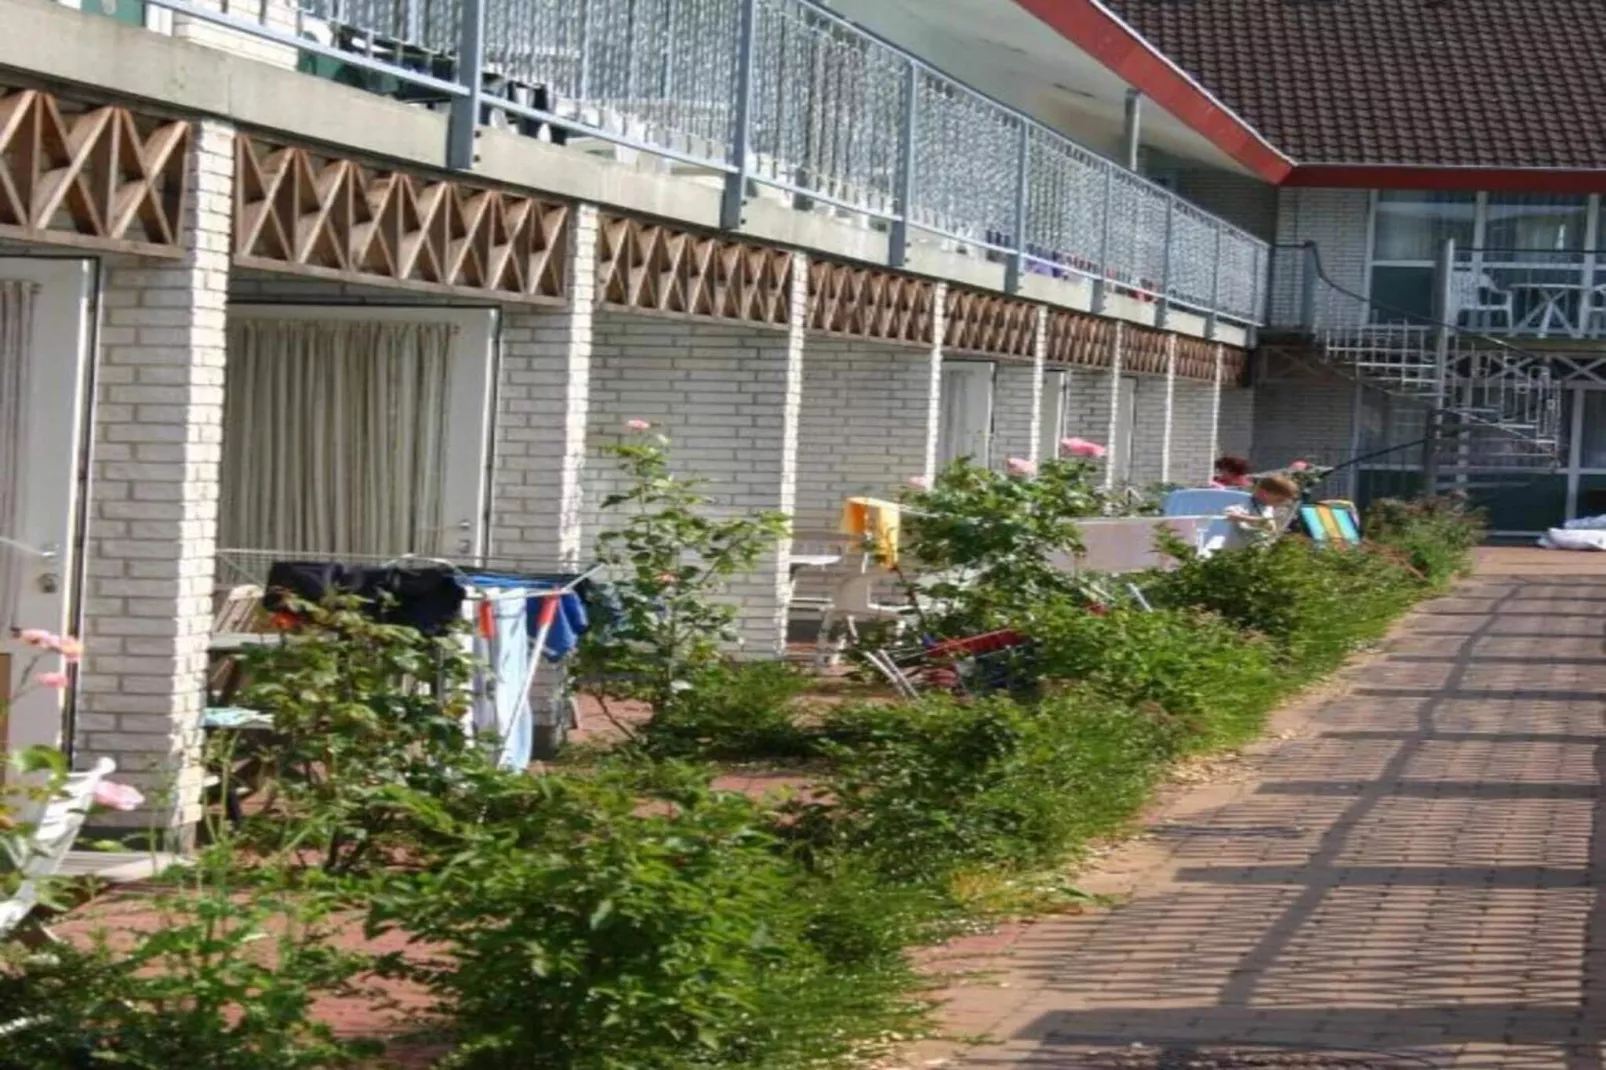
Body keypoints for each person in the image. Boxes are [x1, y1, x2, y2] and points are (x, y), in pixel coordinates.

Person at [1223, 474, 1300, 548]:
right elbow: (1229, 515)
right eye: (1279, 500)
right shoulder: (1246, 502)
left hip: (1254, 551)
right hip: (1236, 552)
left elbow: (1268, 526)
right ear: (1263, 493)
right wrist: (1258, 521)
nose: (1280, 504)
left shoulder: (1267, 507)